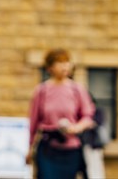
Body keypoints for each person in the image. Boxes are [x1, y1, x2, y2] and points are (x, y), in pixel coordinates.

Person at [27, 49, 95, 179]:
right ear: (50, 67)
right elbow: (33, 123)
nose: (64, 66)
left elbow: (88, 116)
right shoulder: (42, 91)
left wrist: (76, 128)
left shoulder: (77, 90)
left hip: (70, 149)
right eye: (60, 62)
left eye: (67, 62)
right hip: (48, 148)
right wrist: (29, 148)